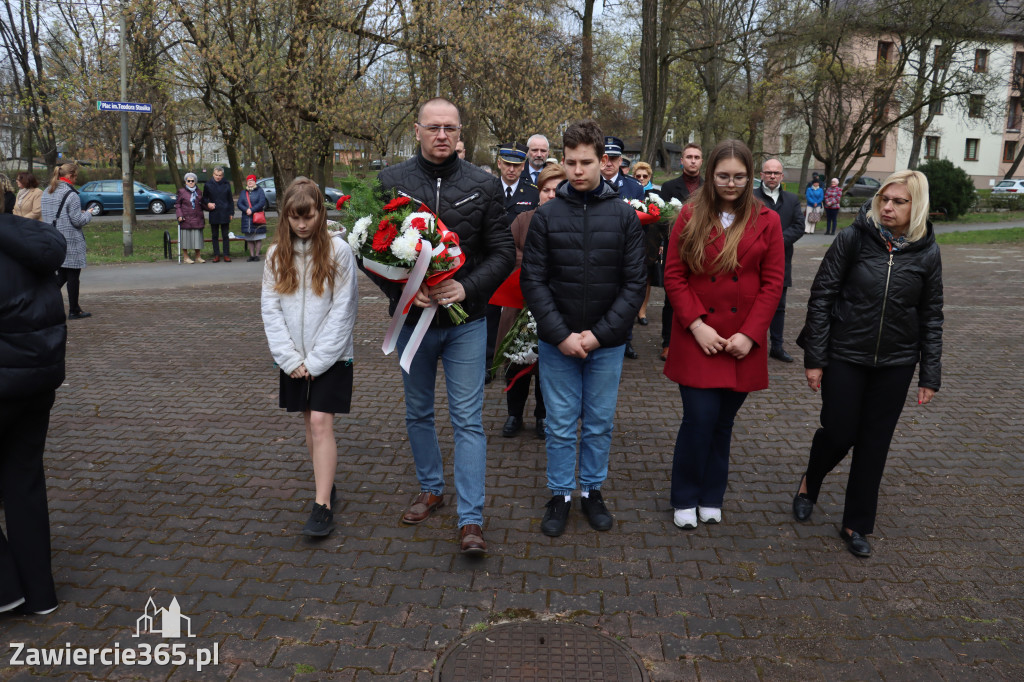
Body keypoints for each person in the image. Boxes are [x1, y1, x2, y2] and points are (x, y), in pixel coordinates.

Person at [372, 97, 514, 555]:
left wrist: (466, 288)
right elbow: (370, 253)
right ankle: (431, 487)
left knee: (468, 419)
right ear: (416, 129)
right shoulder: (390, 181)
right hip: (413, 322)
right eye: (433, 127)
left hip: (466, 323)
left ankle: (471, 518)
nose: (441, 135)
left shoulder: (483, 185)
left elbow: (503, 253)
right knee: (418, 412)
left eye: (449, 128)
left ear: (459, 132)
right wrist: (404, 292)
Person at [793, 170, 943, 558]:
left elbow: (932, 313)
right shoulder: (853, 238)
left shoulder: (927, 250)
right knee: (840, 432)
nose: (888, 207)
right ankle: (811, 480)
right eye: (885, 200)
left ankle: (856, 523)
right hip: (846, 354)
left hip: (897, 361)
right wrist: (815, 358)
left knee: (874, 444)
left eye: (899, 201)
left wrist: (930, 374)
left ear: (917, 206)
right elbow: (822, 295)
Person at [520, 119, 646, 538]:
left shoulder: (624, 218)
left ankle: (592, 491)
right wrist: (560, 334)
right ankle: (560, 493)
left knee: (598, 422)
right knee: (558, 423)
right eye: (570, 162)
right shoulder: (547, 216)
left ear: (603, 161)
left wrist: (599, 335)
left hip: (605, 343)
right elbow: (533, 281)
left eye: (586, 162)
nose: (577, 170)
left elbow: (634, 283)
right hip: (558, 341)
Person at [662, 139, 784, 530]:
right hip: (697, 335)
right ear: (710, 176)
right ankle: (684, 495)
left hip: (740, 342)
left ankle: (712, 495)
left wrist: (750, 335)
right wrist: (696, 325)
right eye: (723, 176)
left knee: (723, 423)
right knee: (699, 418)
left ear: (751, 178)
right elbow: (674, 276)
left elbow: (773, 283)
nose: (731, 184)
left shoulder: (768, 219)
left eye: (739, 176)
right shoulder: (690, 214)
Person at [261, 178, 358, 537]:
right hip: (293, 358)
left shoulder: (339, 252)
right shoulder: (275, 255)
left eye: (309, 216)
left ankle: (322, 506)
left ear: (320, 212)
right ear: (285, 217)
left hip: (330, 357)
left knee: (321, 422)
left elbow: (343, 310)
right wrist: (289, 358)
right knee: (308, 424)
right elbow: (270, 309)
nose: (302, 224)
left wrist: (317, 361)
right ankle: (324, 479)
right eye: (294, 217)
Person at [0, 209, 67, 616]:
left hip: (9, 380)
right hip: (37, 381)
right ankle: (39, 594)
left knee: (22, 481)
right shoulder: (32, 242)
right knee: (23, 482)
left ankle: (6, 588)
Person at [497, 164, 564, 439]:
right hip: (518, 305)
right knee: (517, 362)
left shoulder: (572, 221)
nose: (550, 195)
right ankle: (514, 414)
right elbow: (506, 253)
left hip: (555, 308)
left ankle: (542, 416)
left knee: (547, 366)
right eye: (545, 190)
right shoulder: (523, 220)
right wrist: (540, 266)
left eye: (557, 190)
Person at [753, 159, 805, 363]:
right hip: (754, 260)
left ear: (782, 176)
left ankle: (777, 346)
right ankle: (753, 343)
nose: (772, 176)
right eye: (768, 172)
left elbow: (799, 226)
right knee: (752, 303)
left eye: (776, 173)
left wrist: (778, 241)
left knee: (779, 306)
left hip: (781, 261)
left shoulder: (791, 200)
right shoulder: (751, 197)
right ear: (762, 175)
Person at [658, 143, 704, 361]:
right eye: (689, 157)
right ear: (681, 161)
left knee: (701, 293)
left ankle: (698, 335)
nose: (693, 160)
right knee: (672, 297)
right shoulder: (668, 187)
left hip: (704, 249)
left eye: (697, 157)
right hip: (676, 247)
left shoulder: (709, 187)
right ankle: (667, 342)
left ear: (702, 161)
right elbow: (662, 220)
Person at [41, 161, 93, 320]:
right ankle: (74, 310)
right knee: (73, 277)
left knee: (62, 274)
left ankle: (43, 302)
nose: (76, 180)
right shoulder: (72, 195)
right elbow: (77, 221)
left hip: (52, 238)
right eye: (75, 176)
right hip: (70, 240)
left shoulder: (47, 191)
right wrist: (89, 213)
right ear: (70, 176)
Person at [632, 161, 658, 326]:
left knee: (647, 277)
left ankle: (642, 311)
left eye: (645, 176)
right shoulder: (631, 191)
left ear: (649, 177)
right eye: (638, 176)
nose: (641, 178)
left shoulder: (655, 194)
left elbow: (661, 218)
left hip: (650, 241)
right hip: (632, 239)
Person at [202, 167, 234, 262]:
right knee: (214, 235)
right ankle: (216, 255)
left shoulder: (227, 184)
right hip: (214, 212)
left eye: (220, 175)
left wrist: (231, 212)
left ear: (222, 175)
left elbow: (230, 200)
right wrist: (208, 203)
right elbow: (204, 198)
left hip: (225, 212)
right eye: (216, 175)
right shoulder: (208, 185)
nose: (218, 177)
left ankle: (226, 255)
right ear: (213, 174)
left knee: (225, 235)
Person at [176, 172, 207, 264]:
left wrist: (210, 207)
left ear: (195, 181)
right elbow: (177, 204)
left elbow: (202, 204)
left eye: (192, 181)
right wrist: (179, 215)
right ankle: (186, 257)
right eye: (188, 180)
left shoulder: (199, 192)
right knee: (186, 238)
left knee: (197, 238)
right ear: (185, 181)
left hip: (197, 218)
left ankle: (198, 257)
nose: (190, 182)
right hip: (186, 218)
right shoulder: (181, 192)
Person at [238, 174, 268, 261]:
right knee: (250, 238)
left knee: (258, 237)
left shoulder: (260, 191)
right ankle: (251, 255)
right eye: (248, 181)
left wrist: (252, 210)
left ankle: (257, 255)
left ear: (255, 182)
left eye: (252, 181)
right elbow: (239, 203)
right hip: (247, 219)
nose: (250, 182)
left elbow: (262, 202)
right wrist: (246, 209)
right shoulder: (243, 192)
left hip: (257, 218)